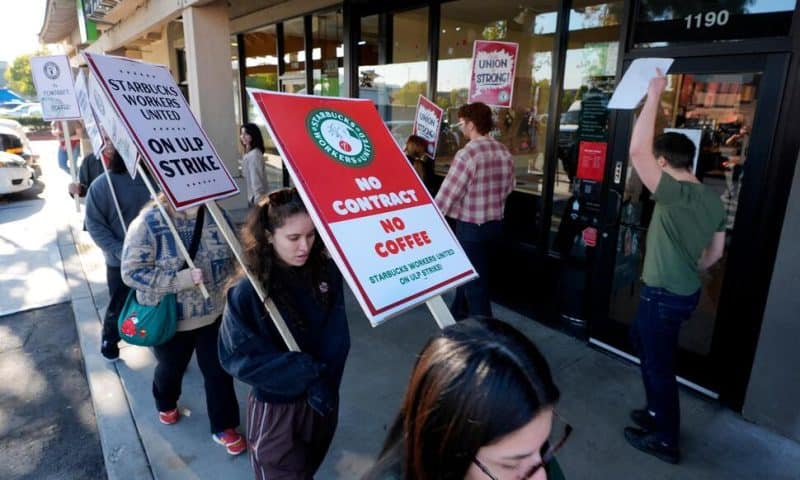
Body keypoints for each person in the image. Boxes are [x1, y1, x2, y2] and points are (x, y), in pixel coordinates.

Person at [624, 69, 726, 464]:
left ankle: (666, 439)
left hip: (662, 294)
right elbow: (715, 255)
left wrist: (654, 95)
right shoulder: (712, 199)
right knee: (642, 341)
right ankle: (654, 412)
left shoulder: (672, 194)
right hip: (684, 292)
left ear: (664, 161)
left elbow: (636, 152)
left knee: (658, 366)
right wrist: (689, 262)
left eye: (657, 163)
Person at [218, 187, 350, 479]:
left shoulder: (325, 273)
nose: (305, 246)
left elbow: (338, 335)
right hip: (278, 408)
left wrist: (324, 380)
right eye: (293, 238)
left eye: (311, 235)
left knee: (308, 469)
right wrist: (303, 372)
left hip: (323, 399)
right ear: (268, 236)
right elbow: (237, 356)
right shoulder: (248, 291)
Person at [362, 317, 568, 480]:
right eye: (510, 465)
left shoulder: (529, 452)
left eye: (544, 447)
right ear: (447, 451)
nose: (541, 476)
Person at [121, 192, 246, 455]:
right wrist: (178, 280)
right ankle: (165, 402)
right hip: (170, 319)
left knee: (219, 372)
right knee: (170, 368)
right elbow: (131, 272)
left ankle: (224, 425)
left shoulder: (217, 214)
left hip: (214, 314)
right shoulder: (148, 222)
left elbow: (237, 256)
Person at [435, 102, 515, 319]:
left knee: (475, 286)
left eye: (461, 122)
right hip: (495, 226)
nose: (460, 127)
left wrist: (432, 219)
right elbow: (510, 187)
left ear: (471, 124)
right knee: (471, 275)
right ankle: (457, 317)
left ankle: (486, 337)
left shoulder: (467, 154)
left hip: (471, 229)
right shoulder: (503, 151)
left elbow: (448, 194)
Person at [84, 142, 150, 361]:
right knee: (119, 303)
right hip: (119, 260)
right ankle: (109, 340)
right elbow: (94, 224)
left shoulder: (156, 181)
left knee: (155, 303)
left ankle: (160, 343)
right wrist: (118, 250)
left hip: (156, 257)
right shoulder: (102, 185)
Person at [240, 123, 269, 206]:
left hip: (256, 199)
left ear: (253, 135)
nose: (243, 137)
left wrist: (258, 201)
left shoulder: (254, 154)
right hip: (251, 198)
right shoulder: (248, 154)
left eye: (246, 134)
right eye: (241, 134)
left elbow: (256, 179)